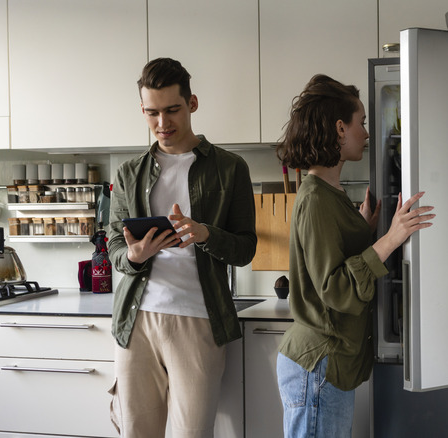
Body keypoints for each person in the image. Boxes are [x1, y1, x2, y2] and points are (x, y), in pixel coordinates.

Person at [274, 74, 435, 437]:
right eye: (361, 123)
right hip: (317, 366)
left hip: (327, 365)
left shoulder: (330, 195)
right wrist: (390, 239)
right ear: (339, 128)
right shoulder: (315, 199)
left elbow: (337, 254)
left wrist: (363, 228)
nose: (365, 132)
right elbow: (334, 288)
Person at [106, 57, 257, 437]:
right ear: (142, 110)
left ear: (191, 103)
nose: (162, 123)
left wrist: (205, 235)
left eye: (172, 110)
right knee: (136, 432)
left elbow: (245, 248)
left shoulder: (230, 168)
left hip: (198, 318)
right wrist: (134, 256)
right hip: (136, 320)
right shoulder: (128, 173)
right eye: (152, 113)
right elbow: (113, 246)